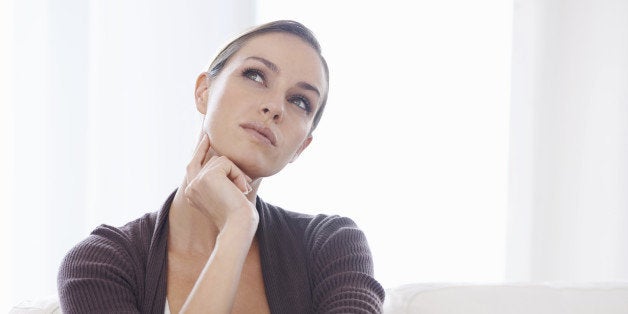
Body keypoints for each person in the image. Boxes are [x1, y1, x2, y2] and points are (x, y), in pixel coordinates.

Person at [57, 19, 385, 313]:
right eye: (256, 75)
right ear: (204, 90)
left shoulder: (332, 246)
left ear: (301, 146)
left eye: (299, 101)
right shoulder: (101, 262)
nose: (274, 107)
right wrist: (236, 230)